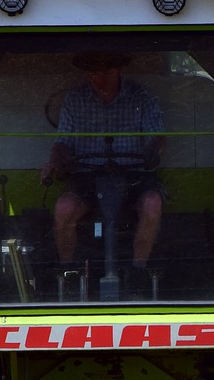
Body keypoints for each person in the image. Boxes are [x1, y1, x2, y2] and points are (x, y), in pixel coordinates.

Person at [40, 52, 166, 279]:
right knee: (64, 207)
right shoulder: (74, 100)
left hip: (133, 175)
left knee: (152, 203)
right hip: (87, 177)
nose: (99, 79)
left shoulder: (141, 96)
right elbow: (63, 142)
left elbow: (157, 136)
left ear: (119, 70)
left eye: (106, 72)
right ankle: (68, 274)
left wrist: (152, 152)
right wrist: (56, 163)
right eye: (92, 73)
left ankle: (138, 273)